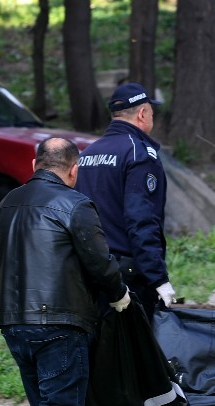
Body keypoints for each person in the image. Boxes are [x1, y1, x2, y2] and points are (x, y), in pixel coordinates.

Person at [0, 137, 131, 406]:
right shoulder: (75, 204)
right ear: (74, 170)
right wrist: (119, 294)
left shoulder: (6, 204)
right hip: (59, 322)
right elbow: (100, 262)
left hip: (13, 321)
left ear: (35, 165)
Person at [75, 82, 176, 321]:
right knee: (134, 342)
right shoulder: (139, 153)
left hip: (87, 268)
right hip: (126, 275)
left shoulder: (87, 154)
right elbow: (142, 219)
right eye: (152, 112)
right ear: (142, 113)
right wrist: (157, 277)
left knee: (99, 339)